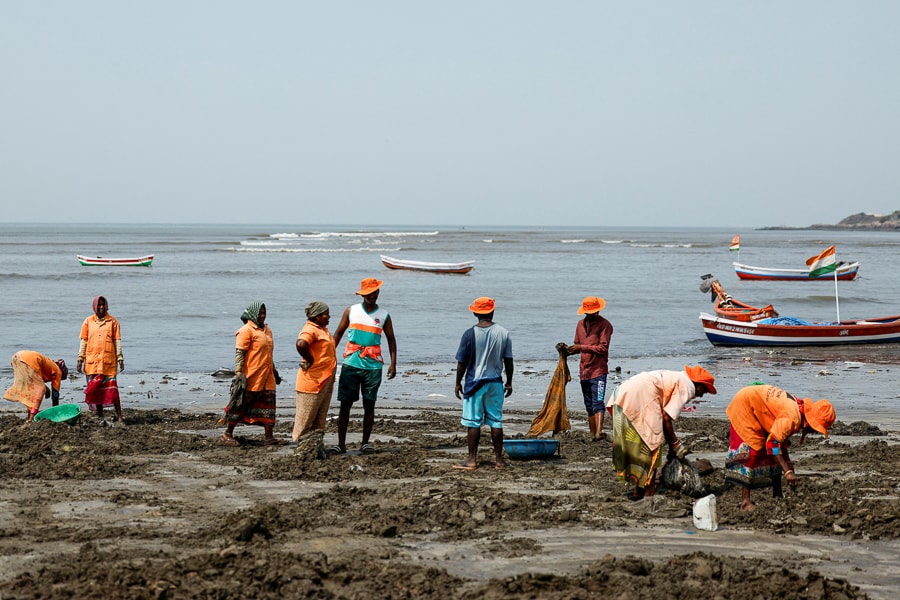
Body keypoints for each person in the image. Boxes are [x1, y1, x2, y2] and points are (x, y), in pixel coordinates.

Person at [610, 365, 716, 500]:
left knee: (639, 445)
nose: (701, 394)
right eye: (704, 390)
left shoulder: (678, 377)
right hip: (642, 397)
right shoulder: (688, 386)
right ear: (698, 383)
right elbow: (666, 417)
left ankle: (639, 491)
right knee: (653, 445)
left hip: (624, 392)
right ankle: (649, 492)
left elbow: (664, 417)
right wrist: (676, 444)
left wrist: (673, 444)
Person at [725, 384, 836, 512]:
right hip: (745, 406)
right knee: (753, 451)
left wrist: (787, 464)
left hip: (760, 408)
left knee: (777, 456)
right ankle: (745, 502)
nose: (815, 432)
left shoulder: (799, 411)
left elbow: (781, 441)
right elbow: (773, 444)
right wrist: (787, 471)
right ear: (810, 423)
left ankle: (777, 494)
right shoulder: (792, 417)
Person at [331, 278, 397, 455]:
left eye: (373, 293)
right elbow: (337, 334)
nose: (370, 296)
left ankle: (365, 443)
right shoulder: (351, 311)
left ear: (378, 293)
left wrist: (393, 364)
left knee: (369, 405)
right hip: (351, 363)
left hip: (373, 366)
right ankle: (341, 444)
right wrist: (328, 357)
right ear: (362, 295)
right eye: (367, 294)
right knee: (345, 405)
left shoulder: (384, 315)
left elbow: (391, 339)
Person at [453, 297, 514, 470]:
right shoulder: (503, 332)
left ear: (475, 313)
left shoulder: (469, 334)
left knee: (473, 422)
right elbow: (508, 361)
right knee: (496, 421)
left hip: (475, 384)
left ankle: (472, 459)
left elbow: (462, 363)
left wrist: (458, 382)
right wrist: (509, 382)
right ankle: (498, 460)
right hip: (495, 383)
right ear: (492, 311)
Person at [222, 301, 286, 446]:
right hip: (251, 375)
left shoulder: (267, 331)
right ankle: (227, 433)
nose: (262, 316)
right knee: (242, 404)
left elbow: (268, 354)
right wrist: (238, 372)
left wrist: (275, 372)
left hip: (267, 375)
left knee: (269, 404)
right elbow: (240, 353)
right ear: (252, 314)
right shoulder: (246, 330)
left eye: (264, 313)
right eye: (259, 313)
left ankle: (269, 438)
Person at [563, 296, 613, 441]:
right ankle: (594, 434)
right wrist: (569, 350)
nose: (591, 315)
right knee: (589, 404)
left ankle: (598, 432)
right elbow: (577, 345)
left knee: (598, 402)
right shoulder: (580, 324)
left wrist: (581, 347)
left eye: (594, 312)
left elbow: (603, 348)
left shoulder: (605, 325)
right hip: (584, 371)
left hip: (599, 371)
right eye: (589, 312)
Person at [77, 295, 125, 424]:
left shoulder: (113, 322)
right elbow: (84, 341)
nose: (101, 307)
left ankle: (119, 416)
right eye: (99, 305)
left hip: (108, 363)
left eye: (103, 305)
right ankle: (101, 417)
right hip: (93, 363)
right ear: (94, 306)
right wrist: (80, 359)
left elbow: (117, 341)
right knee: (96, 391)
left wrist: (120, 358)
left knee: (113, 391)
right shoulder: (88, 321)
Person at [293, 300, 336, 444]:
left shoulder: (322, 329)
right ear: (316, 316)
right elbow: (301, 343)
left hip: (324, 381)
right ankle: (300, 447)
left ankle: (314, 446)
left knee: (319, 418)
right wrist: (309, 359)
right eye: (326, 314)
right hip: (312, 382)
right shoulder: (310, 329)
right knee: (306, 420)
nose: (329, 317)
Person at [4, 351, 68, 422]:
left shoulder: (50, 366)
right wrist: (56, 413)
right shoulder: (58, 371)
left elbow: (37, 380)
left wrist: (47, 389)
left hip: (17, 357)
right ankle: (32, 417)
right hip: (28, 361)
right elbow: (55, 395)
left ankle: (29, 415)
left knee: (29, 390)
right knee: (40, 390)